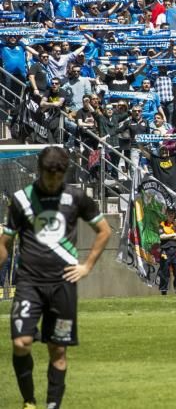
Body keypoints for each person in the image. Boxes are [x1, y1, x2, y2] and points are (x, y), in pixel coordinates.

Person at [0, 146, 113, 409]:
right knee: (21, 342)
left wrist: (86, 266)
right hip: (29, 282)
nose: (53, 182)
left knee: (58, 350)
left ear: (64, 174)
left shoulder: (76, 197)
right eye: (49, 176)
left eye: (58, 177)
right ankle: (29, 400)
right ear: (40, 171)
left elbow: (104, 230)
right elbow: (5, 242)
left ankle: (53, 405)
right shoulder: (22, 200)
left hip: (63, 284)